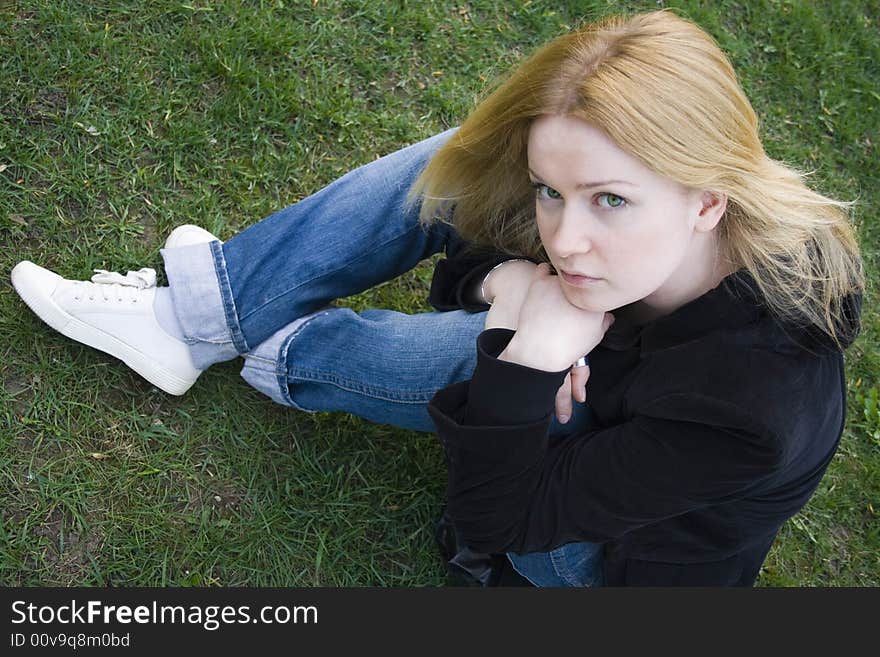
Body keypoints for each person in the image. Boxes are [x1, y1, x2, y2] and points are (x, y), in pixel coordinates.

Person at [10, 10, 863, 586]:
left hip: (597, 556)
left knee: (485, 357)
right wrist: (506, 282)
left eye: (611, 199)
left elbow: (498, 514)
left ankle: (283, 348)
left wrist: (528, 356)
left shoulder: (750, 403)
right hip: (593, 389)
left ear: (708, 199)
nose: (566, 238)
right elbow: (464, 266)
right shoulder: (629, 237)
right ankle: (201, 317)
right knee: (455, 164)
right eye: (551, 193)